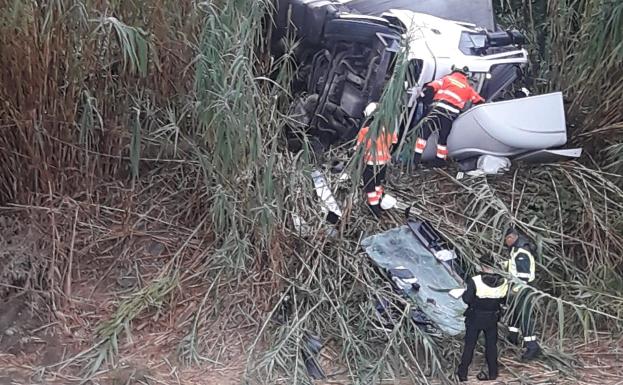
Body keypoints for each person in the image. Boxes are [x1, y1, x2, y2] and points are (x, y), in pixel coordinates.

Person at [413, 65, 485, 166]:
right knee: (443, 137)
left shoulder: (447, 79)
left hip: (437, 110)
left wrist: (423, 98)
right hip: (450, 115)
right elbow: (479, 101)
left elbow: (431, 87)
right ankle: (439, 160)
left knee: (424, 134)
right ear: (466, 76)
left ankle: (415, 159)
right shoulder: (468, 88)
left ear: (454, 71)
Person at [457, 254, 509, 382]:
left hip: (475, 317)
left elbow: (467, 299)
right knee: (491, 346)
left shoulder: (475, 280)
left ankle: (463, 373)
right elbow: (504, 300)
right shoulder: (504, 282)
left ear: (482, 266)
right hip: (492, 317)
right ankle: (492, 373)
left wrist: (464, 293)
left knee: (469, 345)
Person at [503, 227, 541, 360]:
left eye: (506, 239)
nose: (505, 242)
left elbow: (523, 277)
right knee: (514, 314)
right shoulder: (515, 249)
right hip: (518, 287)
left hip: (522, 289)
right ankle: (512, 338)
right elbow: (512, 266)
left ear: (511, 238)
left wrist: (515, 291)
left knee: (524, 316)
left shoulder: (521, 253)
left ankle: (532, 346)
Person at [355, 102, 398, 217]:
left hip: (370, 164)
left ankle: (374, 208)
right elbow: (394, 144)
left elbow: (358, 149)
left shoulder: (365, 132)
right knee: (378, 183)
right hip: (383, 163)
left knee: (370, 186)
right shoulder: (389, 129)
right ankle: (379, 202)